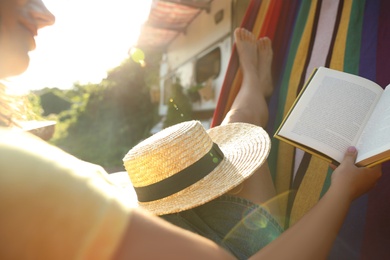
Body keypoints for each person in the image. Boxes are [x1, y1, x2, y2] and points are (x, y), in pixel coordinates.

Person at [0, 1, 382, 260]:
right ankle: (253, 84)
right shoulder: (13, 173)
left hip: (166, 205)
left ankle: (252, 83)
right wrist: (341, 193)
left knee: (236, 126)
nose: (46, 14)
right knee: (238, 125)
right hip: (211, 230)